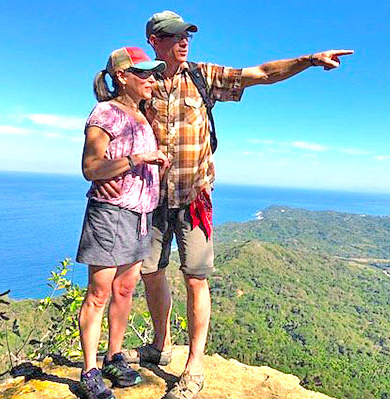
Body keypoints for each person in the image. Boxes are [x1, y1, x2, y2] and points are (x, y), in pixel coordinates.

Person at [96, 11, 354, 399]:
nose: (184, 42)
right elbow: (110, 120)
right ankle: (160, 346)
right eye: (174, 36)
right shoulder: (142, 84)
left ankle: (194, 365)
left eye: (187, 36)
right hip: (150, 200)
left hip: (194, 198)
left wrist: (308, 60)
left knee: (196, 278)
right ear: (153, 40)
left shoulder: (202, 76)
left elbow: (262, 73)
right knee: (150, 273)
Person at [75, 46, 169, 399]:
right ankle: (89, 371)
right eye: (143, 73)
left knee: (125, 289)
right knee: (98, 293)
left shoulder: (143, 116)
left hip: (140, 213)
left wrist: (156, 165)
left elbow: (127, 165)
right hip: (110, 212)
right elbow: (90, 168)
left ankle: (114, 356)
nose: (151, 79)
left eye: (153, 73)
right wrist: (138, 158)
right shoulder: (105, 113)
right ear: (122, 77)